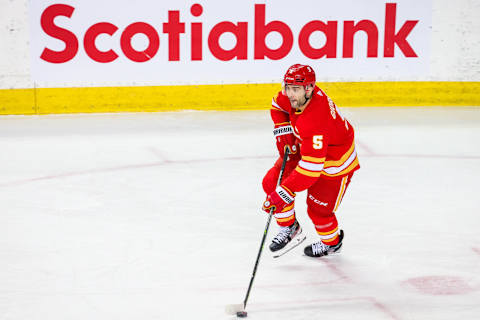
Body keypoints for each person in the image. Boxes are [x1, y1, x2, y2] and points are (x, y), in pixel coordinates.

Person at [262, 64, 360, 258]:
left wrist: (286, 192)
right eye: (288, 87)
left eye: (295, 89)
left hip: (334, 163)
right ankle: (290, 228)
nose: (290, 94)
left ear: (309, 88)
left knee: (318, 211)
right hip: (308, 149)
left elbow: (310, 170)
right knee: (271, 183)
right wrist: (283, 129)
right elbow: (277, 106)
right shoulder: (295, 95)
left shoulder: (316, 118)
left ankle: (332, 243)